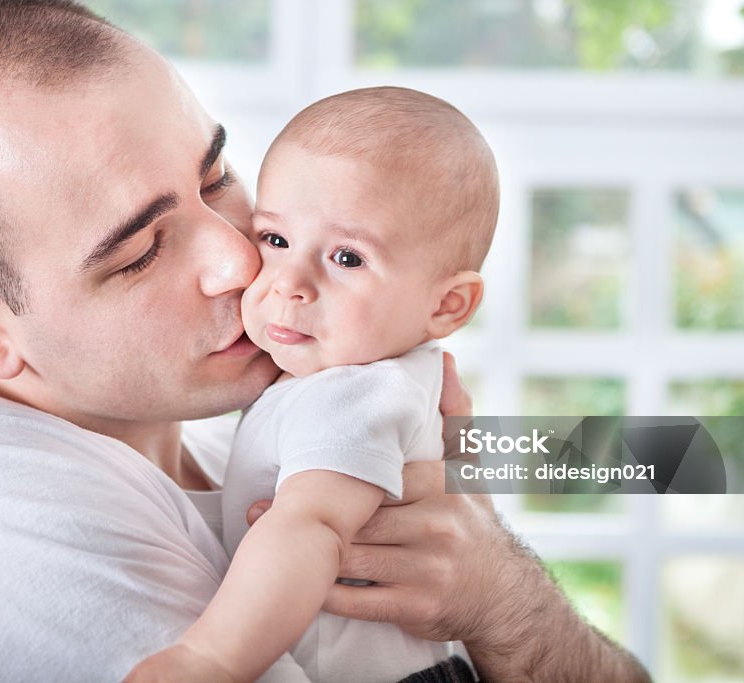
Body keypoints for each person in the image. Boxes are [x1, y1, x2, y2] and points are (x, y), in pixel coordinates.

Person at [0, 1, 651, 681]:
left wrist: (504, 597)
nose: (240, 256)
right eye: (140, 251)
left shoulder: (253, 428)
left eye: (217, 177)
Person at [154, 86, 497, 683]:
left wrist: (208, 659)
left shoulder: (356, 393)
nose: (290, 283)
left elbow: (309, 527)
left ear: (446, 304)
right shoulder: (344, 377)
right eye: (276, 241)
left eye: (347, 258)